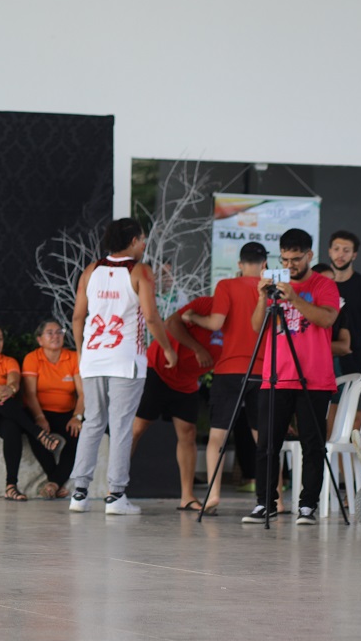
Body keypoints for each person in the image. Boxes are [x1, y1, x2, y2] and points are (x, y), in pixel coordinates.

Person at [67, 218, 177, 515]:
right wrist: (167, 349)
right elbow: (152, 317)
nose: (144, 245)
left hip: (93, 357)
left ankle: (79, 493)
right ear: (133, 241)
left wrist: (81, 353)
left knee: (92, 423)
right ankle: (116, 496)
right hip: (125, 358)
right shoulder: (140, 271)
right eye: (142, 240)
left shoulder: (91, 270)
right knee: (120, 426)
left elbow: (78, 318)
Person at [244, 228, 340, 526]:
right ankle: (265, 503)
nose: (289, 265)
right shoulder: (274, 283)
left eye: (296, 259)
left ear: (310, 255)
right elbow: (257, 328)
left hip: (314, 378)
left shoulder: (324, 285)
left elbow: (326, 319)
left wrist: (295, 298)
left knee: (313, 444)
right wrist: (262, 297)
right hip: (276, 376)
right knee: (267, 444)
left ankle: (307, 506)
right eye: (284, 259)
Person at [181, 242, 268, 510]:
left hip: (229, 369)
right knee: (263, 438)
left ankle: (214, 494)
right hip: (261, 370)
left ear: (240, 265)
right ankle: (273, 495)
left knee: (218, 436)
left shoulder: (227, 285)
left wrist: (194, 316)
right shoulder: (271, 288)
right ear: (264, 264)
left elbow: (216, 323)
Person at [0, 324, 66, 502]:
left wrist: (10, 389)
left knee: (12, 427)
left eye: (0, 338)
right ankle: (37, 432)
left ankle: (11, 486)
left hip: (3, 415)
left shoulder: (9, 361)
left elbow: (14, 382)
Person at [131, 297, 215, 511]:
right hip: (159, 368)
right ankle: (114, 489)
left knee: (187, 433)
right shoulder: (207, 304)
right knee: (138, 428)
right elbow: (170, 323)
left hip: (186, 380)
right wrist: (197, 349)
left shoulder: (244, 318)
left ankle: (187, 496)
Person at [20, 319, 84, 498]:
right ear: (40, 340)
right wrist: (39, 417)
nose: (55, 336)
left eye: (59, 332)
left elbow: (83, 393)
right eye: (50, 333)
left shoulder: (72, 357)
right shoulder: (32, 358)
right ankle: (57, 481)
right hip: (40, 411)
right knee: (36, 433)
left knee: (77, 436)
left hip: (67, 413)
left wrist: (77, 416)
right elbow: (30, 393)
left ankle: (53, 483)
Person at [326, 230, 361, 383]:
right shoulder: (319, 283)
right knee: (322, 406)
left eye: (346, 250)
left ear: (354, 255)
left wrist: (351, 341)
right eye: (336, 249)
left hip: (354, 359)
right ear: (330, 251)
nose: (340, 255)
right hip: (319, 359)